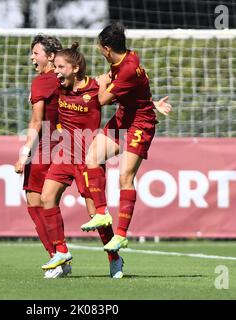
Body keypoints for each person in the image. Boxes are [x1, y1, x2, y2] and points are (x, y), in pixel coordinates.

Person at [80, 22, 172, 252]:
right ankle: (101, 213)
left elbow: (101, 100)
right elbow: (135, 91)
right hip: (124, 117)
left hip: (140, 123)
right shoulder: (126, 59)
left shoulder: (128, 69)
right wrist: (150, 101)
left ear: (107, 49)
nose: (99, 51)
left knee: (125, 176)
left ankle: (120, 235)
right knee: (92, 158)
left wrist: (102, 83)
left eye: (100, 48)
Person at [39, 42, 124, 278]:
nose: (56, 71)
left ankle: (114, 257)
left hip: (89, 159)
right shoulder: (58, 86)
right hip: (65, 155)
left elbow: (127, 89)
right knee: (46, 198)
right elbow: (42, 80)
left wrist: (151, 103)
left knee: (95, 215)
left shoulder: (98, 87)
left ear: (75, 68)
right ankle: (61, 253)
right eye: (55, 66)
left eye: (61, 67)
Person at [14, 34, 68, 278]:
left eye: (36, 53)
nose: (32, 57)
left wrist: (24, 153)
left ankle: (57, 257)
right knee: (47, 202)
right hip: (66, 144)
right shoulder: (66, 79)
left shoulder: (42, 82)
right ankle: (59, 257)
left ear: (51, 56)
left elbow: (37, 121)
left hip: (45, 147)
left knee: (36, 203)